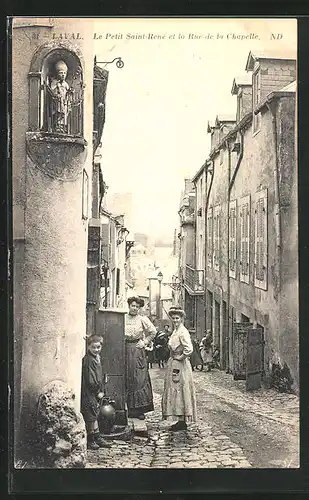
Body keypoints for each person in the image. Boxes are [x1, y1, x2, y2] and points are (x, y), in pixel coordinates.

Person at [161, 306, 197, 431]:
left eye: (177, 318)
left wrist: (180, 358)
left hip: (180, 365)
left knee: (181, 390)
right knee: (175, 390)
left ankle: (183, 421)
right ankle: (179, 420)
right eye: (173, 318)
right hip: (174, 363)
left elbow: (189, 349)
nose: (175, 320)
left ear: (182, 319)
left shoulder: (183, 331)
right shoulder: (175, 331)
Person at [125, 296, 157, 419]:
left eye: (137, 307)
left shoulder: (142, 319)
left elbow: (153, 332)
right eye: (133, 306)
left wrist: (144, 342)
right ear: (129, 306)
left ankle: (139, 410)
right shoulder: (123, 318)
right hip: (124, 349)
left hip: (137, 350)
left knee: (138, 378)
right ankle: (128, 407)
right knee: (127, 377)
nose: (135, 308)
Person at [81, 335, 112, 450]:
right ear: (88, 347)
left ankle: (97, 436)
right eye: (93, 347)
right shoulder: (89, 360)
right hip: (89, 392)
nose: (96, 350)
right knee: (91, 416)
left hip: (96, 391)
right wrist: (97, 391)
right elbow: (91, 379)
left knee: (95, 413)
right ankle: (91, 439)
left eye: (98, 347)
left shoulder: (97, 357)